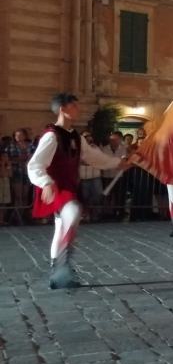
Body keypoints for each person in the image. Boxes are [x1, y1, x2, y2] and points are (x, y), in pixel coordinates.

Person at [27, 93, 131, 288]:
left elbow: (93, 157)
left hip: (70, 188)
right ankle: (61, 268)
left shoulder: (76, 137)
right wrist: (46, 183)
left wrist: (117, 163)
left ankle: (58, 270)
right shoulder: (52, 136)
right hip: (57, 189)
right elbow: (34, 165)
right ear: (63, 109)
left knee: (64, 224)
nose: (79, 109)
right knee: (73, 212)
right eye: (74, 106)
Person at [78, 132, 104, 223]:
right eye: (85, 137)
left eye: (89, 136)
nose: (88, 138)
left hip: (95, 176)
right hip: (84, 177)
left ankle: (96, 215)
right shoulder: (78, 148)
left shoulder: (96, 148)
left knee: (97, 196)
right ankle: (86, 215)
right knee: (85, 197)